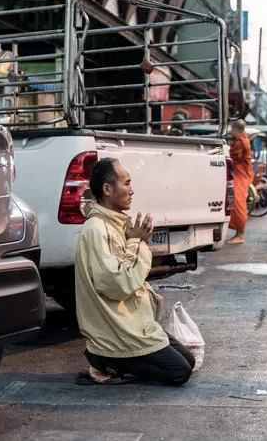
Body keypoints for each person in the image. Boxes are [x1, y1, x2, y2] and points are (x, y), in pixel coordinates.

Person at [74, 157, 196, 386]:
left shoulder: (114, 224)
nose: (132, 190)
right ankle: (108, 362)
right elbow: (117, 284)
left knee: (188, 360)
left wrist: (136, 242)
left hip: (133, 321)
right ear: (108, 189)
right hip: (117, 329)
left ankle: (114, 363)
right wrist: (137, 242)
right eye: (127, 183)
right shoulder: (97, 229)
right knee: (180, 373)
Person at [227, 119, 254, 245]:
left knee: (238, 203)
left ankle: (241, 235)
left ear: (237, 130)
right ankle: (238, 233)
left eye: (232, 130)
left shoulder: (242, 142)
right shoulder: (241, 139)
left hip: (241, 175)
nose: (231, 132)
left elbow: (232, 155)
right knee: (233, 201)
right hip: (238, 173)